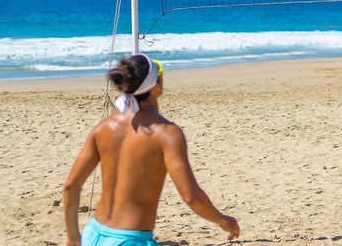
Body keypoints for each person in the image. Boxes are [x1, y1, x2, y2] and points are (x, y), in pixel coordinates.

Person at [63, 54, 240, 246]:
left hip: (92, 234)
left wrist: (73, 237)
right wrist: (222, 219)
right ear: (157, 84)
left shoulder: (104, 127)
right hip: (129, 240)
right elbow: (191, 196)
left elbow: (71, 186)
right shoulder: (166, 133)